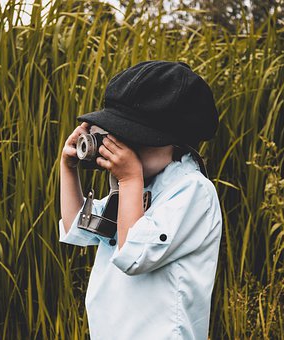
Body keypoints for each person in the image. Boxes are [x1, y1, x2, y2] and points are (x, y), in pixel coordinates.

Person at [59, 60, 222, 340]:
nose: (124, 148)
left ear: (174, 141)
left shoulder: (193, 191)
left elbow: (134, 257)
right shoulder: (137, 187)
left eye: (135, 138)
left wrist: (129, 179)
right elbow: (78, 225)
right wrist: (68, 169)